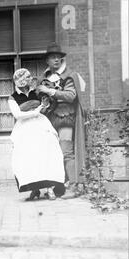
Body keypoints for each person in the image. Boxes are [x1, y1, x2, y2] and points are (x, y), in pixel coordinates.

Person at [37, 43, 87, 197]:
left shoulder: (69, 75)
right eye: (53, 57)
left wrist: (50, 91)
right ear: (47, 60)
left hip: (66, 117)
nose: (56, 60)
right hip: (50, 119)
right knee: (54, 153)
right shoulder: (44, 77)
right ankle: (58, 187)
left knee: (66, 152)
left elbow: (71, 96)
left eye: (58, 57)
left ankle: (74, 187)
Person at [8, 68, 65, 201]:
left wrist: (45, 104)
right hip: (24, 129)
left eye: (26, 81)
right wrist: (35, 111)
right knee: (28, 157)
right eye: (20, 82)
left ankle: (50, 188)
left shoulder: (37, 92)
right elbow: (18, 115)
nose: (24, 85)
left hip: (41, 125)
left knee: (47, 154)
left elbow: (48, 105)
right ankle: (34, 189)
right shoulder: (12, 98)